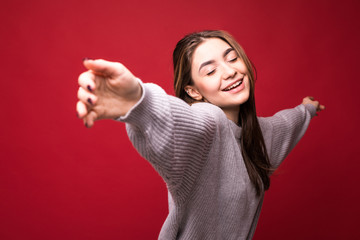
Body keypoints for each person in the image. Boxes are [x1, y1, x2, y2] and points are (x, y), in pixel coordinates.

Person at [76, 30, 325, 239]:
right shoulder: (209, 123)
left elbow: (287, 123)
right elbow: (180, 123)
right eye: (210, 71)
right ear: (193, 92)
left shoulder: (259, 136)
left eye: (232, 58)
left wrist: (307, 108)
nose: (229, 72)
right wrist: (139, 101)